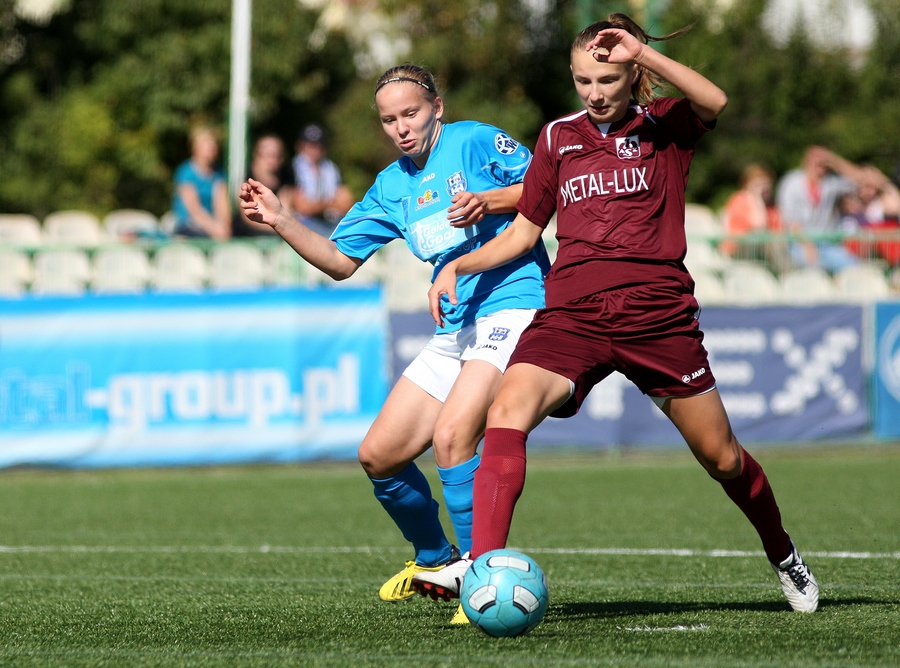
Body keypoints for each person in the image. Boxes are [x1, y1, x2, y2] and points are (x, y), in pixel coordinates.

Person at [413, 14, 819, 614]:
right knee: (506, 409)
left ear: (631, 75)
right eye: (583, 80)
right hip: (573, 314)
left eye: (607, 79)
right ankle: (483, 574)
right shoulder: (557, 138)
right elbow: (524, 232)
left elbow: (716, 101)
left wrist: (642, 52)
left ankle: (784, 554)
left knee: (722, 456)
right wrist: (459, 265)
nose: (595, 92)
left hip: (657, 314)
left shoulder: (666, 126)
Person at [239, 64, 549, 624]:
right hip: (456, 326)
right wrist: (281, 219)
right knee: (379, 454)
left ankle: (478, 576)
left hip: (512, 305)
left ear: (437, 107)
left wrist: (491, 200)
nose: (402, 128)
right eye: (389, 120)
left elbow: (548, 190)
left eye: (411, 113)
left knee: (452, 436)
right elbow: (340, 261)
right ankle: (436, 560)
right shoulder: (392, 185)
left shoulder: (474, 141)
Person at [776, 145, 867, 273]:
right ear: (806, 160)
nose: (820, 164)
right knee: (815, 270)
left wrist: (835, 161)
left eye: (824, 161)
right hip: (800, 243)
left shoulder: (832, 182)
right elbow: (791, 220)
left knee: (855, 270)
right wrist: (807, 245)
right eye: (816, 159)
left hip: (828, 244)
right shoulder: (791, 182)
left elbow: (861, 179)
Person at [722, 163, 791, 273]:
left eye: (766, 184)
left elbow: (781, 235)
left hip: (763, 250)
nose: (764, 188)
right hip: (739, 248)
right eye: (759, 185)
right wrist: (757, 199)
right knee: (768, 244)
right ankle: (787, 274)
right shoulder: (740, 200)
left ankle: (790, 274)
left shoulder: (772, 207)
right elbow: (759, 226)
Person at [291, 123, 354, 237]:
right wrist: (330, 204)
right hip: (304, 223)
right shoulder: (294, 168)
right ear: (301, 146)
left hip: (330, 221)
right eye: (311, 145)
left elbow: (346, 202)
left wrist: (315, 205)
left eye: (319, 145)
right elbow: (302, 207)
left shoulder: (331, 168)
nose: (316, 150)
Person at [171, 126, 232, 240]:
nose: (211, 150)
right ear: (195, 148)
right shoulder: (185, 172)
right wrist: (215, 229)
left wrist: (224, 227)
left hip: (213, 227)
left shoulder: (219, 174)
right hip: (189, 226)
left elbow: (222, 206)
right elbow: (194, 209)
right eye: (206, 146)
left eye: (213, 146)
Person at [233, 134, 296, 237]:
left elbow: (288, 212)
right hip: (248, 236)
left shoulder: (286, 180)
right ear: (257, 155)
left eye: (278, 155)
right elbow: (248, 219)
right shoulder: (247, 182)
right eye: (270, 155)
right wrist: (281, 226)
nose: (274, 160)